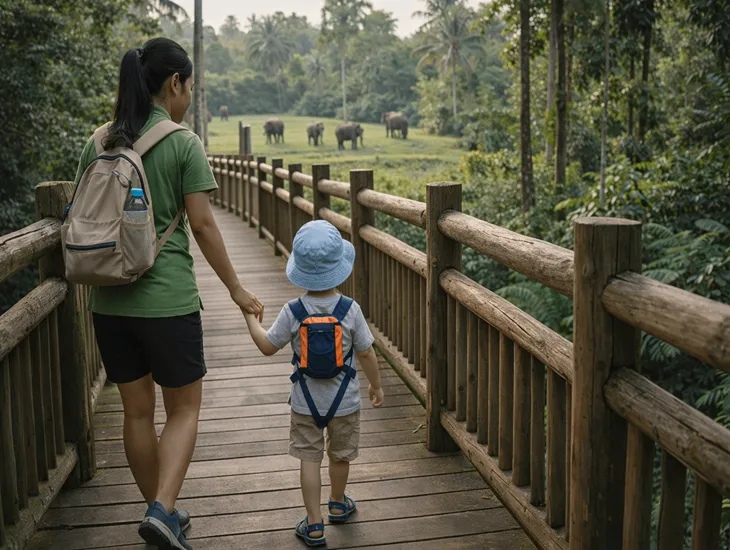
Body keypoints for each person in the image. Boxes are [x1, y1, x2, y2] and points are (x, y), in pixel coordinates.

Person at [73, 38, 263, 550]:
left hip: (108, 302)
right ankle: (162, 508)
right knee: (183, 409)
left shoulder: (98, 142)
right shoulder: (183, 143)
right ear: (174, 84)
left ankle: (162, 513)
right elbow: (202, 224)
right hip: (168, 302)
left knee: (136, 412)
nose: (186, 98)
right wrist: (238, 290)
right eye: (188, 87)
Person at [243, 220, 384, 547]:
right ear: (340, 268)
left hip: (305, 404)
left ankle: (315, 523)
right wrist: (375, 386)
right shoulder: (351, 310)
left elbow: (267, 346)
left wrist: (250, 318)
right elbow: (366, 353)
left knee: (310, 460)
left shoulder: (293, 311)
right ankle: (337, 502)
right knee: (339, 456)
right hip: (344, 403)